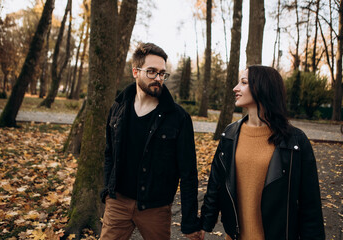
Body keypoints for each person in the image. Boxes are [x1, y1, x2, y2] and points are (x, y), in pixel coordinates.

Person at [199, 65, 325, 240]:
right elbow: (216, 184)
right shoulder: (230, 134)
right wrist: (205, 223)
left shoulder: (295, 141)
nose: (235, 88)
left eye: (243, 82)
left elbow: (310, 203)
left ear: (263, 88)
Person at [100, 42, 201, 240]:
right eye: (152, 72)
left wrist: (189, 221)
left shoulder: (178, 118)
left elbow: (188, 173)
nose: (158, 78)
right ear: (135, 72)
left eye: (162, 73)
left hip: (155, 208)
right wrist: (106, 191)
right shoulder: (118, 107)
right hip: (117, 203)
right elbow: (109, 152)